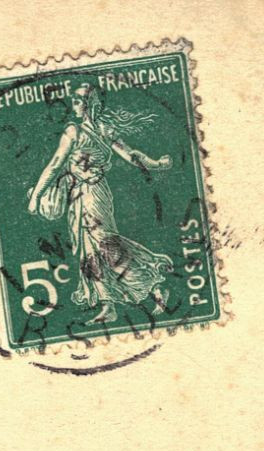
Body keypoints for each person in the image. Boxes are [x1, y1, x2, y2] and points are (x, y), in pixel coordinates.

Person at [27, 82, 175, 325]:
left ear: (91, 103)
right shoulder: (80, 130)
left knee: (106, 245)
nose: (73, 103)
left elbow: (129, 155)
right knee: (89, 251)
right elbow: (57, 165)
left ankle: (153, 286)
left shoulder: (85, 131)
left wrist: (156, 164)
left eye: (78, 99)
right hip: (77, 196)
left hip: (94, 194)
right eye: (73, 99)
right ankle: (108, 306)